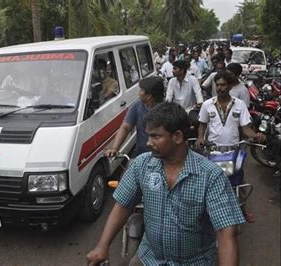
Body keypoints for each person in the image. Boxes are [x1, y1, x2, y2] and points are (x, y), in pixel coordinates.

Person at [87, 102, 246, 265]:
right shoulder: (141, 165)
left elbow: (226, 232)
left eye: (156, 136)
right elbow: (123, 206)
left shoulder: (211, 176)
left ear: (177, 137)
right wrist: (102, 246)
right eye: (148, 136)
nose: (148, 143)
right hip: (149, 258)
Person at [196, 70, 265, 224]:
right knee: (210, 182)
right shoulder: (208, 105)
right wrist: (200, 137)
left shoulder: (239, 105)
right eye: (218, 85)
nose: (220, 88)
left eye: (223, 85)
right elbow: (202, 124)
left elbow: (246, 128)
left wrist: (256, 135)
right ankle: (204, 210)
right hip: (212, 151)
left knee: (238, 181)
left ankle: (244, 208)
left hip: (234, 151)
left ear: (229, 86)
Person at [105, 76, 164, 158]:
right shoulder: (137, 106)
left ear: (149, 96)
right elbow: (125, 127)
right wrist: (115, 148)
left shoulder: (167, 111)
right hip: (140, 155)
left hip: (162, 156)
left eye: (141, 90)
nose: (139, 92)